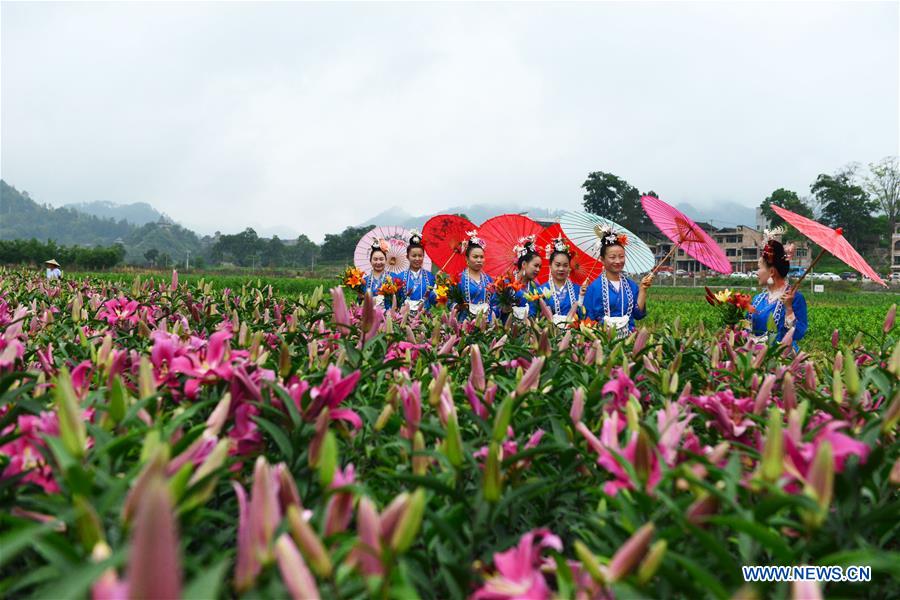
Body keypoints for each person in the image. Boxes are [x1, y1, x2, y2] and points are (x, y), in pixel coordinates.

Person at [583, 227, 654, 337]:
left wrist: (643, 290)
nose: (618, 261)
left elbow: (638, 314)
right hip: (602, 339)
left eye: (621, 257)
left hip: (628, 338)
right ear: (602, 259)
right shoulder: (594, 288)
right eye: (612, 257)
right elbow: (589, 319)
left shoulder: (632, 286)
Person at [749, 234, 808, 351]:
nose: (756, 272)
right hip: (756, 355)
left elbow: (798, 334)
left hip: (782, 357)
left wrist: (789, 309)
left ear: (771, 272)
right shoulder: (758, 299)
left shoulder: (795, 298)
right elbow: (747, 328)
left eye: (759, 268)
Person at [539, 236, 587, 327]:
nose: (561, 269)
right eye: (557, 265)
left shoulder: (578, 289)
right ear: (550, 266)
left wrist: (581, 297)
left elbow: (583, 317)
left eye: (565, 265)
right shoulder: (541, 290)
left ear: (569, 267)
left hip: (572, 332)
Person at [453, 230, 495, 321]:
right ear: (467, 258)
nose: (479, 260)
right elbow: (450, 301)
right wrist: (458, 306)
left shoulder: (489, 280)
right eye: (475, 257)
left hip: (486, 322)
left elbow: (494, 302)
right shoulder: (459, 279)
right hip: (465, 322)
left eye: (481, 257)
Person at [397, 230, 436, 314]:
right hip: (404, 317)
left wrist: (439, 286)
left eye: (420, 256)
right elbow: (397, 300)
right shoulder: (399, 277)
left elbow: (434, 301)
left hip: (425, 317)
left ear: (423, 256)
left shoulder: (431, 277)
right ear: (407, 257)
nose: (417, 259)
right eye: (414, 256)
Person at [507, 235, 543, 322]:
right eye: (535, 266)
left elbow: (536, 313)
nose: (538, 270)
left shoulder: (536, 288)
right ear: (524, 264)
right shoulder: (506, 283)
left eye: (540, 267)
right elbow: (494, 306)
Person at [363, 240, 396, 311]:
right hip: (370, 314)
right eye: (375, 259)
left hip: (388, 315)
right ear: (370, 261)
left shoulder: (393, 277)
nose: (378, 262)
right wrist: (360, 297)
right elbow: (361, 302)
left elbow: (399, 300)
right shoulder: (364, 280)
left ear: (386, 260)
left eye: (381, 259)